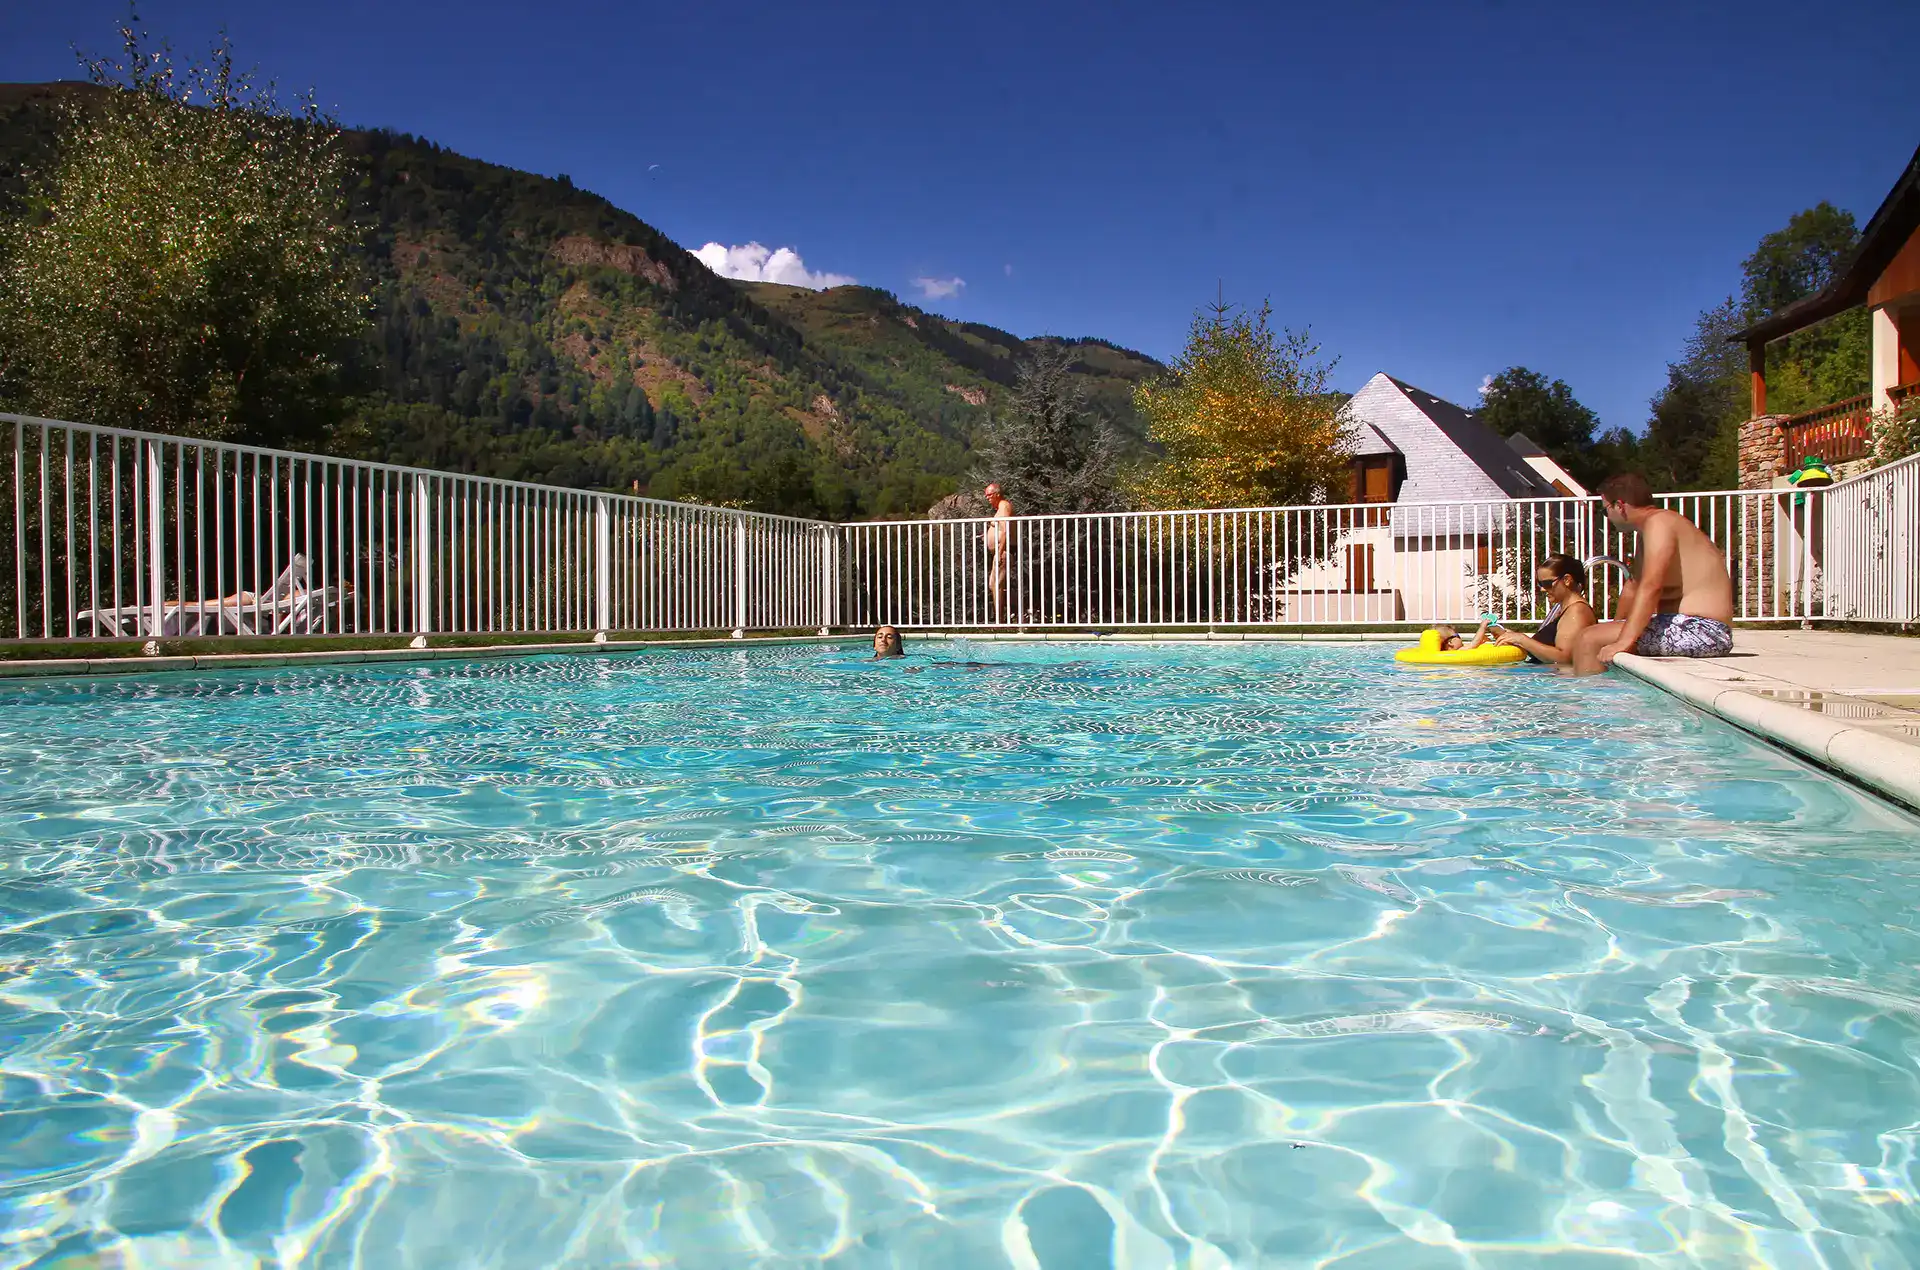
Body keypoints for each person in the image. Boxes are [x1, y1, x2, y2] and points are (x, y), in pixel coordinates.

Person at [1571, 473, 1734, 675]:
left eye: (1605, 511)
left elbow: (1651, 586)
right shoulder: (1646, 532)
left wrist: (1623, 640)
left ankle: (1586, 704)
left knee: (1589, 639)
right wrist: (1616, 628)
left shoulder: (1660, 523)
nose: (1608, 518)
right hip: (1683, 624)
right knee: (1592, 635)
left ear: (1619, 505)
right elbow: (1633, 586)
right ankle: (1603, 699)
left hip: (1704, 631)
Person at [1490, 553, 1596, 666]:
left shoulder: (1577, 611)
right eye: (1540, 584)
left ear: (1566, 580)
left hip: (1559, 680)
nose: (1542, 589)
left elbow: (1565, 658)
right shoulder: (1566, 610)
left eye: (1547, 583)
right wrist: (1513, 637)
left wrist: (1522, 640)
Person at [982, 483, 1014, 621]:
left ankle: (1000, 621)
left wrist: (1000, 552)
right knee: (992, 584)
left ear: (997, 494)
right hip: (1000, 551)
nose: (987, 497)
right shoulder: (1000, 508)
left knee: (996, 584)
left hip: (1004, 551)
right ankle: (1007, 615)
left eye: (989, 494)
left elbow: (1005, 530)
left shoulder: (1004, 505)